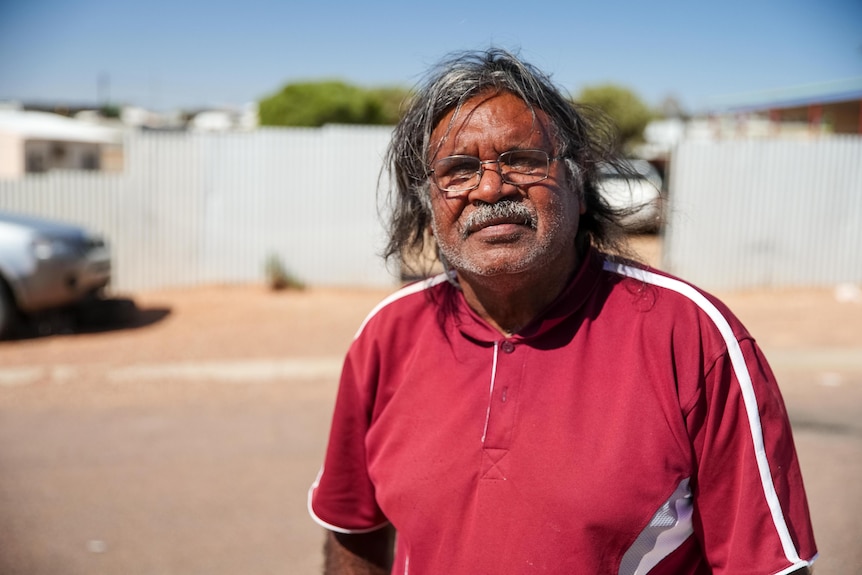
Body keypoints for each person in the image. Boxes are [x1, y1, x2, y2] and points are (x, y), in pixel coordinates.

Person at [308, 48, 818, 574]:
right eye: (458, 170)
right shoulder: (388, 335)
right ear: (428, 200)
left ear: (579, 181)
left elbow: (765, 564)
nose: (490, 188)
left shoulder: (692, 336)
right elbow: (354, 531)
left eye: (522, 161)